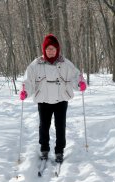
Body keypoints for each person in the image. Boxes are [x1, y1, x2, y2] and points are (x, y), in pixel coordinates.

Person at [19, 34, 86, 163]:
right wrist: (25, 92)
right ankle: (44, 149)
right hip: (43, 101)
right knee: (44, 126)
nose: (51, 51)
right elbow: (28, 81)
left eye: (53, 49)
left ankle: (59, 151)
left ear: (57, 50)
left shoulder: (65, 63)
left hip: (61, 100)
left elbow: (76, 76)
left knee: (60, 126)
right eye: (48, 49)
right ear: (44, 50)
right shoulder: (35, 65)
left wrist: (80, 83)